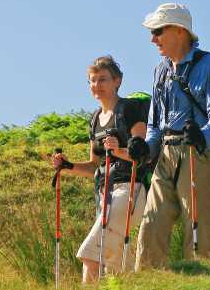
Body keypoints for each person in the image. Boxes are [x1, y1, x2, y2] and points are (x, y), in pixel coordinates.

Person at [135, 3, 210, 269]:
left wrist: (203, 136)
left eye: (157, 31)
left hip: (198, 152)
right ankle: (148, 284)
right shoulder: (160, 70)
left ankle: (202, 283)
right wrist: (146, 148)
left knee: (200, 230)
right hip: (165, 153)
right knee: (151, 226)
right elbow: (155, 123)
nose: (153, 38)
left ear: (179, 30)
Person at [50, 56, 151, 282]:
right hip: (104, 195)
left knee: (90, 255)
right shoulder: (95, 119)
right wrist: (68, 166)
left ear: (118, 81)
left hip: (129, 190)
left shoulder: (130, 110)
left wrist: (118, 151)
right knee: (112, 269)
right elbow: (95, 165)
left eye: (103, 79)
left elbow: (142, 154)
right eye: (92, 81)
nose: (97, 86)